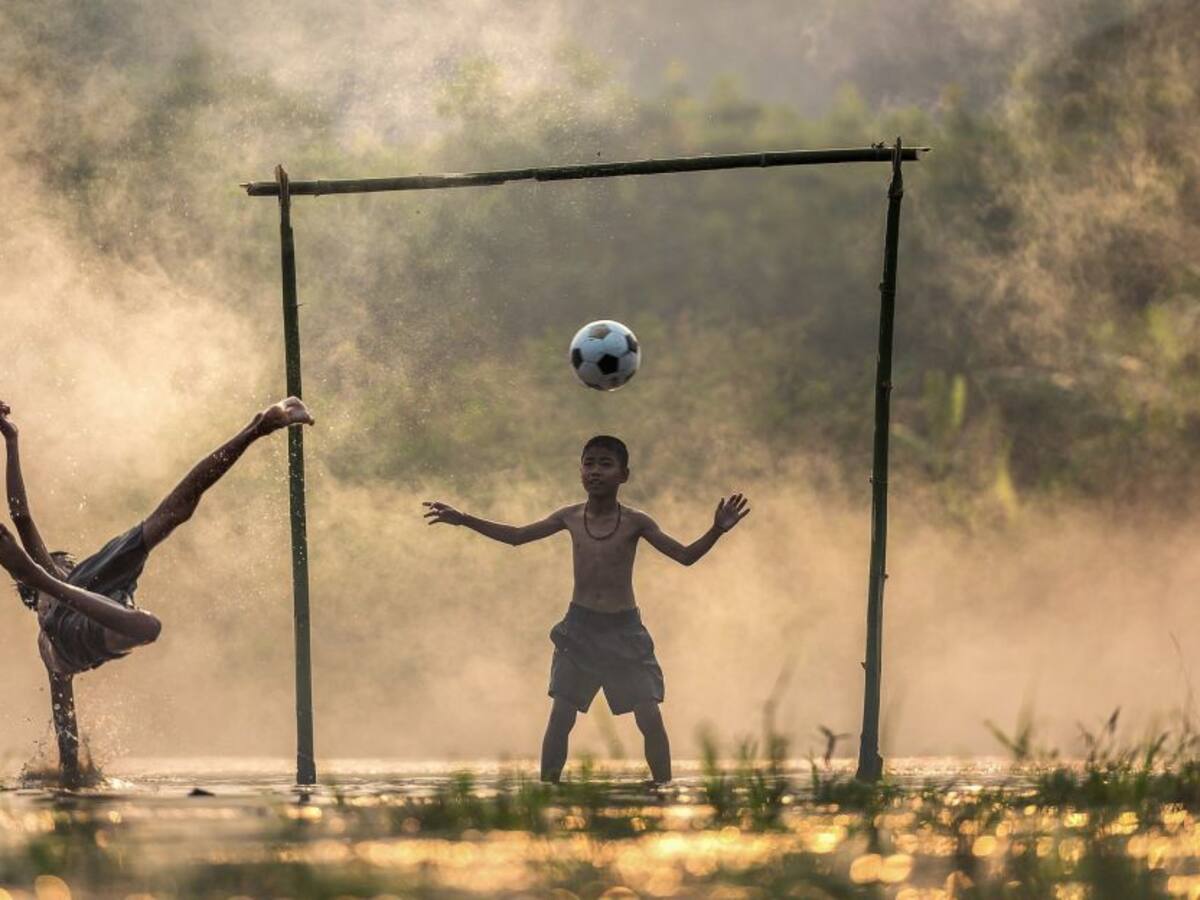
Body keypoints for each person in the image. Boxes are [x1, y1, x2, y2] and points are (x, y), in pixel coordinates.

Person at [0, 397, 314, 786]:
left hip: (94, 595)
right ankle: (257, 428)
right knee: (143, 626)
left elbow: (21, 517)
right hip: (72, 624)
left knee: (171, 515)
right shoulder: (49, 617)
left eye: (62, 563)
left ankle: (259, 426)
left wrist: (11, 439)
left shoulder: (85, 575)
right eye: (61, 562)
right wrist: (69, 770)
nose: (65, 561)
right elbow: (20, 515)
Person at [423, 435, 750, 785]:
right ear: (580, 471)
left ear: (624, 474)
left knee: (649, 716)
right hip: (579, 630)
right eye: (589, 463)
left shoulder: (637, 522)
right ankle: (547, 791)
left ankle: (663, 790)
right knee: (561, 714)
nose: (595, 471)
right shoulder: (570, 517)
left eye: (605, 464)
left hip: (624, 631)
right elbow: (517, 536)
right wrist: (465, 519)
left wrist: (717, 529)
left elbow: (685, 556)